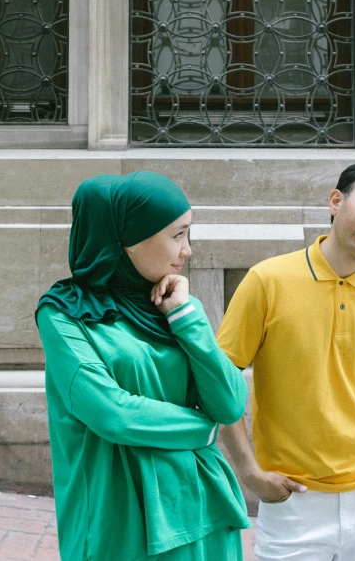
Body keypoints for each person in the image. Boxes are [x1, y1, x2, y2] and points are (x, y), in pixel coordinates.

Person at [217, 161, 355, 561]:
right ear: (336, 201)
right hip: (294, 501)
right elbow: (219, 381)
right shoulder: (267, 281)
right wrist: (249, 472)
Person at [36, 171, 252, 561]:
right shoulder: (64, 314)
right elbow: (112, 413)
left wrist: (187, 318)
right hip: (123, 518)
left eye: (188, 234)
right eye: (177, 234)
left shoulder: (175, 305)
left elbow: (231, 404)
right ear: (128, 240)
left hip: (202, 505)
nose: (187, 250)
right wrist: (203, 429)